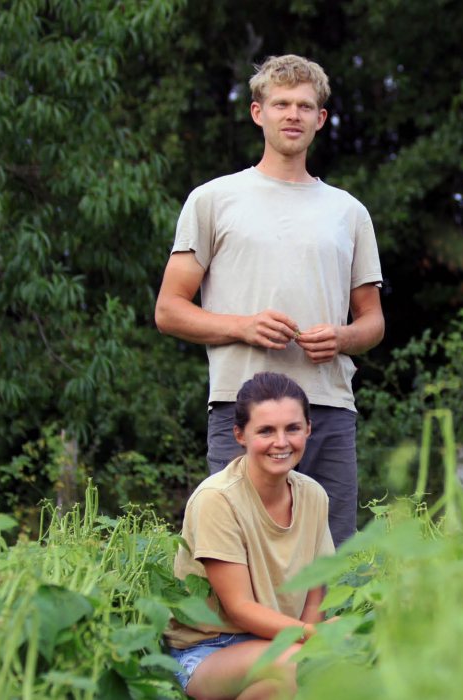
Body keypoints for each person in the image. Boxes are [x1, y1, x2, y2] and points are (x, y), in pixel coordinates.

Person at [155, 54, 384, 548]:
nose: (293, 115)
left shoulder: (349, 212)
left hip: (326, 408)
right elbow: (169, 310)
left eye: (305, 106)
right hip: (244, 407)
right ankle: (246, 632)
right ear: (258, 112)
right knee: (239, 554)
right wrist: (242, 327)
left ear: (320, 119)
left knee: (332, 561)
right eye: (281, 103)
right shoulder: (214, 199)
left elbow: (372, 323)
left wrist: (343, 337)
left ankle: (323, 632)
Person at [163, 372, 337, 699]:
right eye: (266, 431)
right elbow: (240, 606)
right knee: (303, 664)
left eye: (293, 428)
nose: (282, 442)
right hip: (208, 649)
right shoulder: (217, 498)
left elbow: (316, 591)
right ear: (240, 435)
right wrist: (314, 636)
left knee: (291, 679)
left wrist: (311, 636)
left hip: (279, 641)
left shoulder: (314, 495)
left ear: (309, 429)